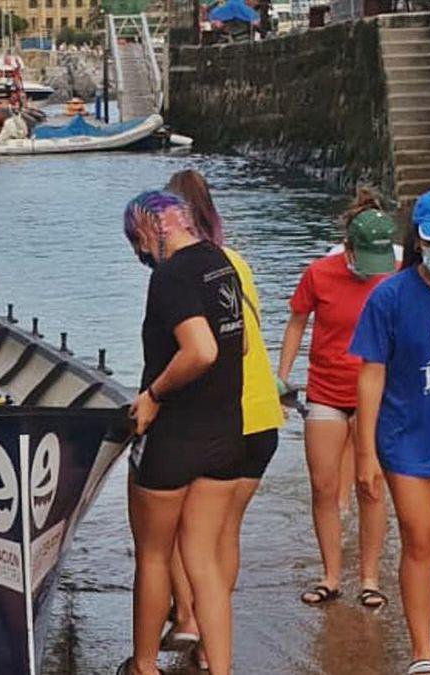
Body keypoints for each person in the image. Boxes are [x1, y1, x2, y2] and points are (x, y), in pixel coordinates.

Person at [352, 187, 430, 675]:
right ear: (419, 241)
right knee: (420, 540)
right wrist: (364, 452)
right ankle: (420, 651)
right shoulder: (390, 296)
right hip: (406, 441)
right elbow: (371, 375)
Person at [118, 190, 245, 675]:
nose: (139, 254)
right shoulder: (221, 262)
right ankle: (222, 669)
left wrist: (153, 395)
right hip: (224, 435)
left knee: (153, 557)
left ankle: (145, 666)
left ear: (154, 230)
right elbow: (243, 346)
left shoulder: (171, 276)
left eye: (138, 241)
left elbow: (201, 350)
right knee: (205, 560)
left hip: (175, 437)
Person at [162, 170, 285, 669]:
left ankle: (191, 621)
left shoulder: (182, 271)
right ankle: (215, 635)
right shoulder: (236, 263)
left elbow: (192, 353)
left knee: (179, 530)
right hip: (263, 418)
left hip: (223, 418)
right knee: (224, 529)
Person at [277, 201, 396, 609]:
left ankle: (369, 578)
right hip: (326, 390)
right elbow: (297, 321)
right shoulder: (319, 273)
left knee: (371, 486)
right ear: (347, 247)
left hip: (376, 397)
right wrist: (282, 375)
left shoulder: (394, 275)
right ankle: (330, 575)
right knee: (324, 487)